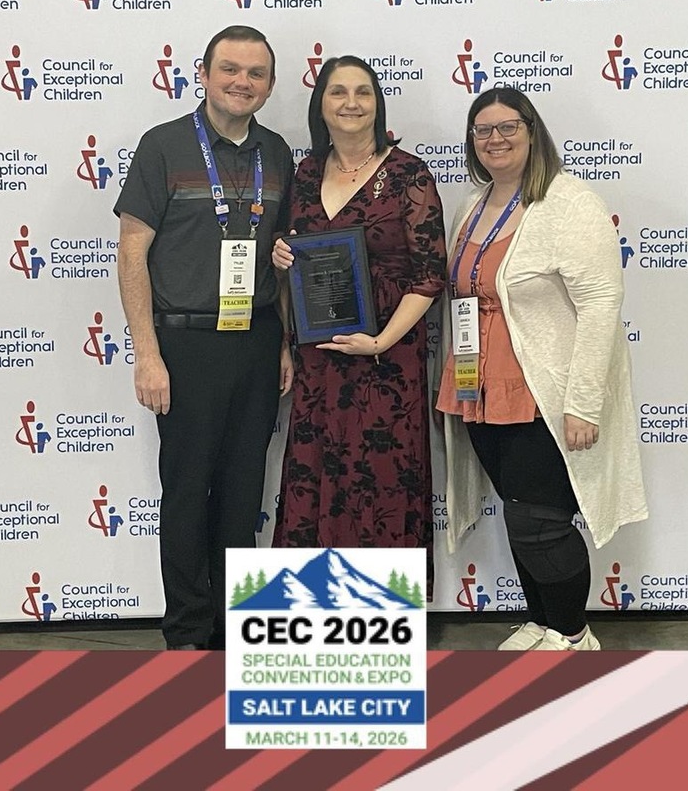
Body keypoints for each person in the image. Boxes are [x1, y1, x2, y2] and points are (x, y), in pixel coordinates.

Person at [436, 87, 647, 651]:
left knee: (542, 520)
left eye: (509, 127)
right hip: (477, 386)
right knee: (518, 513)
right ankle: (542, 621)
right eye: (483, 130)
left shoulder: (569, 202)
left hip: (540, 391)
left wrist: (583, 402)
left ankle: (573, 634)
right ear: (471, 140)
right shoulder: (471, 206)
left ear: (533, 132)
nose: (495, 139)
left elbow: (602, 303)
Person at [114, 25, 294, 650]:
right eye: (230, 69)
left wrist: (281, 343)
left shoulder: (278, 153)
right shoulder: (162, 145)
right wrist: (147, 354)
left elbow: (276, 255)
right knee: (188, 489)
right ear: (205, 74)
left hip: (256, 339)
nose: (242, 82)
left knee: (244, 491)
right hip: (184, 344)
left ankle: (233, 631)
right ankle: (188, 632)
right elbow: (132, 252)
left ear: (270, 85)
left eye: (256, 73)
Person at [271, 55, 447, 553]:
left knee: (381, 482)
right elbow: (291, 270)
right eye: (338, 91)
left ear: (378, 103)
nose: (351, 102)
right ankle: (315, 617)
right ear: (320, 104)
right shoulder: (303, 174)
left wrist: (380, 342)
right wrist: (282, 255)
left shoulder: (409, 174)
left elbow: (431, 274)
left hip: (386, 359)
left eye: (363, 91)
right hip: (317, 358)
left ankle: (377, 619)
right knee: (314, 474)